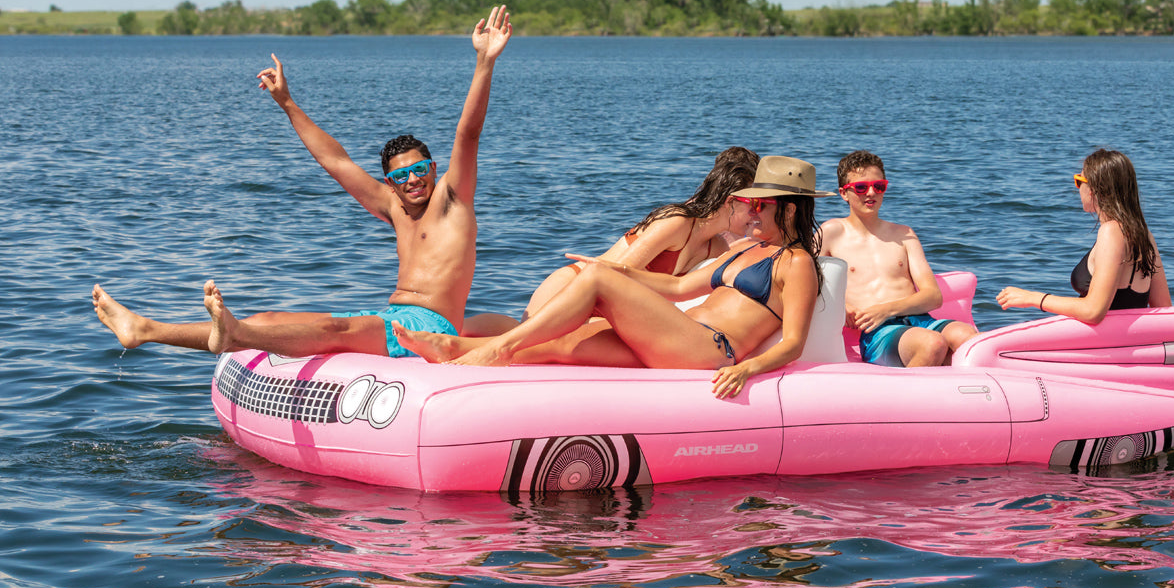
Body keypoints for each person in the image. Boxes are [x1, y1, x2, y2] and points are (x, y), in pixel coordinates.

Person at [92, 5, 513, 358]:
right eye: (401, 176)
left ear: (434, 169)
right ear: (390, 182)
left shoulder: (452, 201)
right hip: (389, 315)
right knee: (268, 321)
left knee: (336, 329)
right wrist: (287, 103)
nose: (413, 181)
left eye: (420, 170)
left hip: (429, 326)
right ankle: (144, 328)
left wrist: (485, 62)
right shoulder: (394, 207)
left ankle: (233, 335)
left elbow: (467, 133)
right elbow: (335, 161)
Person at [393, 155, 831, 400]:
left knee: (598, 287)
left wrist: (748, 369)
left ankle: (497, 349)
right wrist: (614, 268)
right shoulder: (747, 251)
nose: (750, 212)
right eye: (749, 203)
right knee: (567, 344)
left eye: (760, 205)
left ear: (788, 208)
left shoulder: (796, 264)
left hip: (712, 349)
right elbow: (678, 287)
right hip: (683, 335)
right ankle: (453, 347)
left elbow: (793, 340)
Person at [463, 146, 760, 337]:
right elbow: (617, 273)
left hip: (607, 306)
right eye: (754, 204)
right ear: (730, 200)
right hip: (576, 289)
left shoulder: (717, 247)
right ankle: (455, 331)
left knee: (524, 338)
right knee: (520, 334)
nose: (756, 214)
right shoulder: (678, 222)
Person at [818, 150, 976, 367]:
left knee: (969, 339)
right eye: (861, 187)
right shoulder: (831, 232)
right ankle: (909, 398)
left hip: (922, 320)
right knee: (932, 344)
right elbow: (810, 281)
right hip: (879, 332)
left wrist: (886, 309)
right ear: (844, 193)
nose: (871, 193)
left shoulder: (904, 234)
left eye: (879, 186)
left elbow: (933, 297)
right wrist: (842, 307)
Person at [996, 147, 1170, 322]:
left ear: (1093, 189)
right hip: (1121, 342)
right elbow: (1163, 309)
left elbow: (1093, 311)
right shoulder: (1145, 236)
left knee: (971, 336)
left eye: (1079, 181)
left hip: (1096, 345)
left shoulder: (1111, 232)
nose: (1077, 188)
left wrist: (1032, 298)